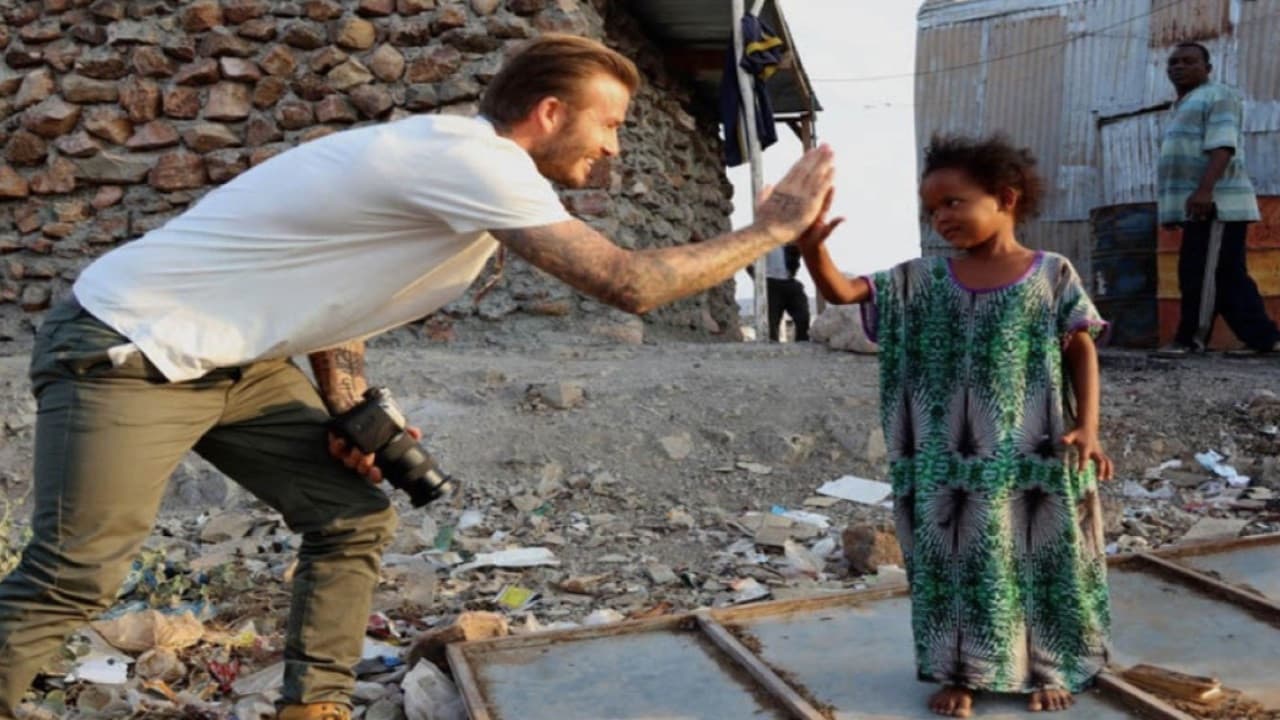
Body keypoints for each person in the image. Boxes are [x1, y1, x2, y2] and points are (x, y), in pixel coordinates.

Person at [0, 34, 835, 720]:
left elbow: (343, 297)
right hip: (130, 345)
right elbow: (630, 283)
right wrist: (773, 227)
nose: (614, 146)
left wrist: (352, 413)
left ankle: (313, 706)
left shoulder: (455, 170)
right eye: (609, 124)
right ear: (549, 113)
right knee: (76, 574)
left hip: (234, 359)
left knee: (351, 513)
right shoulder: (475, 161)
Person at [799, 135, 1113, 717]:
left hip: (1032, 451)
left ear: (1006, 198)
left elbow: (1080, 347)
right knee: (952, 561)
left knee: (1041, 556)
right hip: (946, 459)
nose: (941, 217)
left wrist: (1089, 428)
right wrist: (811, 249)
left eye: (953, 202)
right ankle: (959, 672)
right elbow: (842, 290)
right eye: (932, 209)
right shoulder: (920, 279)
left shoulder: (1051, 274)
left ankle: (1047, 665)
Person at [1154, 42, 1280, 357]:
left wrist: (1205, 191)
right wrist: (1174, 211)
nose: (1178, 67)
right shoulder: (1184, 104)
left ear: (1208, 68)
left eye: (1189, 61)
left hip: (1217, 204)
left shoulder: (1218, 95)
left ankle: (1190, 339)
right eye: (1173, 62)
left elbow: (1223, 146)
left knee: (1199, 273)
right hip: (1202, 204)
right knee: (1227, 276)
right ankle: (1266, 340)